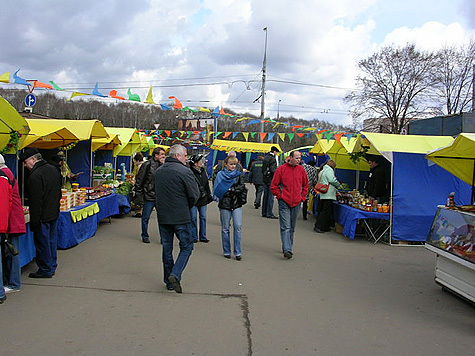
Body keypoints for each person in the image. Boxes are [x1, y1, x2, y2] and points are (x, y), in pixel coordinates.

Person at [155, 145, 199, 293]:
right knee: (187, 246)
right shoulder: (184, 171)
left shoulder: (159, 171)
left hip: (163, 216)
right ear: (177, 156)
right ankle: (175, 273)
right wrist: (186, 206)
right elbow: (194, 194)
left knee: (167, 248)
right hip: (180, 216)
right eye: (185, 155)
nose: (186, 158)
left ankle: (168, 280)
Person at [20, 147, 61, 278]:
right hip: (53, 212)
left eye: (25, 162)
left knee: (43, 243)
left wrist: (34, 221)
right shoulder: (53, 169)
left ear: (33, 159)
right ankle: (52, 265)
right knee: (51, 241)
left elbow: (35, 201)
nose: (25, 165)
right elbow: (58, 193)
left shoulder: (35, 176)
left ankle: (45, 269)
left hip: (42, 215)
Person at [271, 151, 308, 259]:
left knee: (292, 227)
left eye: (299, 158)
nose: (298, 160)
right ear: (290, 158)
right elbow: (274, 185)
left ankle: (288, 247)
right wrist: (280, 196)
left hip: (296, 202)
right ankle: (287, 249)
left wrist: (302, 197)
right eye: (296, 158)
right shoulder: (281, 169)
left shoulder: (301, 170)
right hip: (284, 201)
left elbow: (306, 185)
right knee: (285, 226)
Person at [213, 156, 247, 260]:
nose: (233, 166)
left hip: (236, 203)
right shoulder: (220, 175)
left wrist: (231, 190)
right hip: (225, 203)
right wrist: (228, 190)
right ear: (226, 164)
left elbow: (242, 187)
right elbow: (218, 190)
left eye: (234, 164)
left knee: (237, 226)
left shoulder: (238, 175)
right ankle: (226, 251)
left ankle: (237, 252)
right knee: (225, 228)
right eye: (231, 164)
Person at [0, 154, 26, 294]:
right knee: (11, 251)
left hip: (11, 220)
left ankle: (14, 283)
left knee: (12, 252)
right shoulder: (8, 172)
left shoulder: (4, 175)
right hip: (13, 219)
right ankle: (11, 282)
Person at [134, 147, 166, 243]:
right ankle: (145, 235)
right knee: (145, 217)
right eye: (161, 154)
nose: (163, 156)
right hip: (149, 195)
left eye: (164, 154)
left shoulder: (164, 165)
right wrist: (139, 195)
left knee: (163, 218)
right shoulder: (147, 165)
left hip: (160, 195)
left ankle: (163, 238)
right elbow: (139, 180)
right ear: (156, 155)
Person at [189, 154, 212, 243]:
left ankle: (203, 236)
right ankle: (194, 236)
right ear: (195, 163)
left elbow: (206, 184)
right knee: (193, 218)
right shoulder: (190, 172)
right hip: (194, 199)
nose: (202, 162)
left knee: (203, 217)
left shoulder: (203, 171)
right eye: (200, 160)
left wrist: (209, 195)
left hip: (203, 198)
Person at [314, 160, 341, 234]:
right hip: (328, 194)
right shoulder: (329, 170)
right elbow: (332, 180)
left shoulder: (322, 170)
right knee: (326, 212)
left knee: (322, 210)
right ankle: (320, 227)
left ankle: (322, 226)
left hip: (322, 193)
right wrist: (338, 185)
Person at [261, 146, 280, 219]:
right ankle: (269, 213)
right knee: (270, 197)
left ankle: (264, 212)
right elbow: (273, 170)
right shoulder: (273, 159)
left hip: (265, 178)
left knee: (265, 196)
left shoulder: (265, 158)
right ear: (274, 152)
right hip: (271, 179)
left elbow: (263, 169)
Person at [131, 152, 145, 218]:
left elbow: (140, 177)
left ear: (138, 161)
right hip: (143, 185)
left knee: (138, 198)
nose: (134, 163)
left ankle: (138, 212)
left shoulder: (140, 166)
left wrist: (135, 183)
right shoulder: (145, 164)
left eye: (134, 161)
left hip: (140, 185)